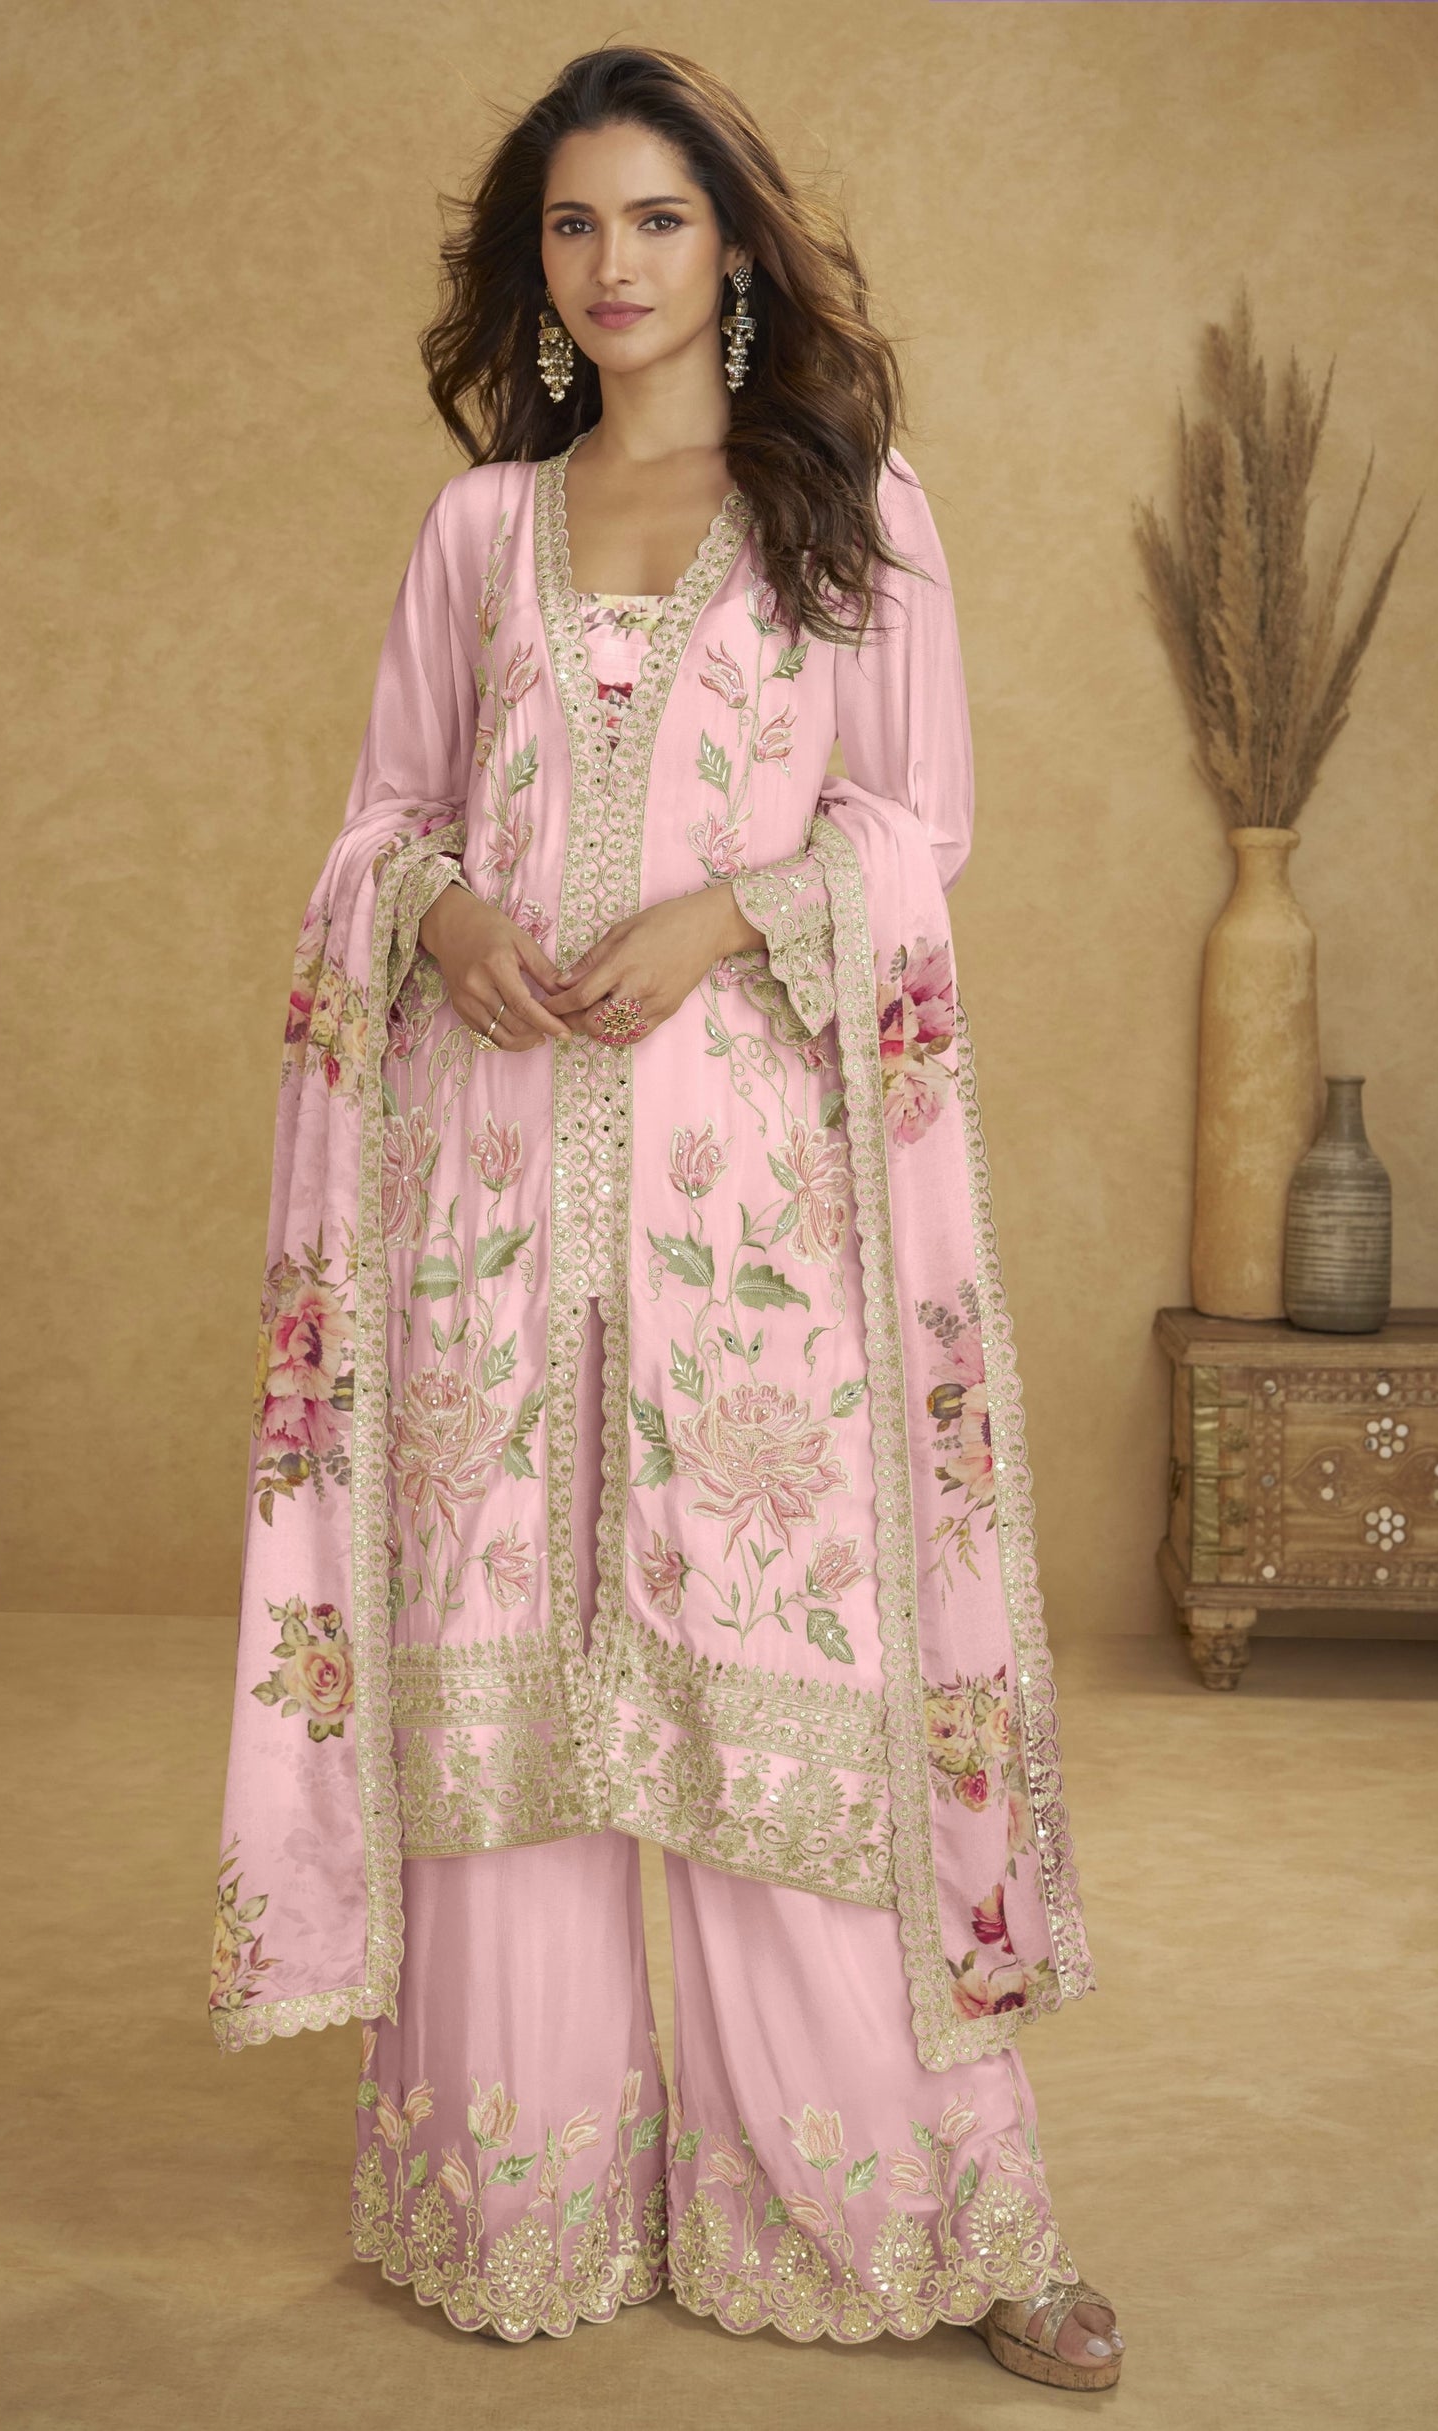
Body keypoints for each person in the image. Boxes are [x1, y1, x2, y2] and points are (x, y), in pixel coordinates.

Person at [212, 43, 1123, 2390]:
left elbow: (920, 836)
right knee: (505, 1716)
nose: (608, 269)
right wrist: (436, 925)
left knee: (776, 1720)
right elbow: (373, 823)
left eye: (653, 222)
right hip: (495, 1214)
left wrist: (722, 916)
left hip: (755, 1219)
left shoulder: (849, 513)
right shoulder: (475, 535)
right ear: (532, 269)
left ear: (733, 245)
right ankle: (510, 2195)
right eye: (568, 230)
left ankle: (913, 2211)